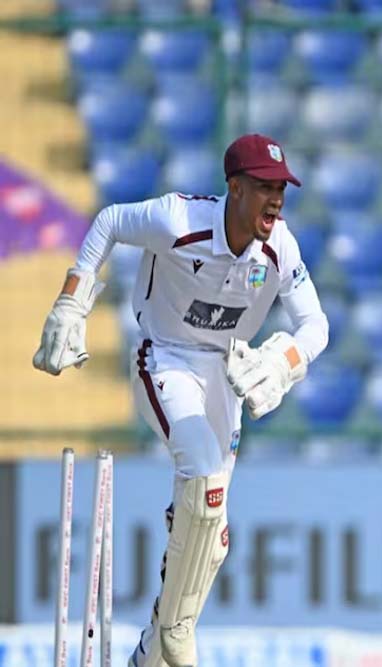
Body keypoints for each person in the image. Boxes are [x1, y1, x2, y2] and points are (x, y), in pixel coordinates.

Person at [32, 134, 329, 667]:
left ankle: (152, 649)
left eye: (281, 189)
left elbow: (316, 326)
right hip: (165, 358)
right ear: (234, 188)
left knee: (212, 535)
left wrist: (283, 363)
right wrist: (73, 299)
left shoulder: (280, 247)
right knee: (203, 474)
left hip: (225, 371)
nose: (276, 200)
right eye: (265, 187)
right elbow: (110, 221)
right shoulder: (178, 219)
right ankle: (176, 628)